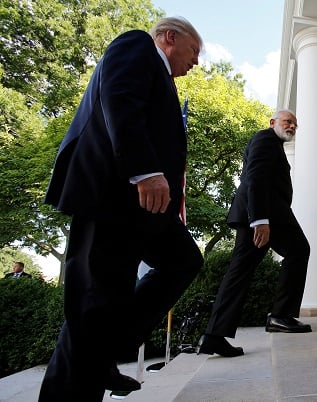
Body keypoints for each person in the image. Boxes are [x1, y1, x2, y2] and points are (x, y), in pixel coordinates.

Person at [38, 17, 204, 401]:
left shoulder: (163, 80)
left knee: (183, 261)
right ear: (169, 37)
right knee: (93, 303)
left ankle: (108, 350)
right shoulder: (136, 46)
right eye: (194, 51)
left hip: (145, 208)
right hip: (111, 195)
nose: (196, 62)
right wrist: (144, 171)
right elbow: (120, 100)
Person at [197, 109, 311, 358]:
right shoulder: (264, 138)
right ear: (273, 123)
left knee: (241, 272)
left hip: (267, 214)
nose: (292, 126)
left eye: (294, 124)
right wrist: (259, 220)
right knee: (298, 250)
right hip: (263, 214)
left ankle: (214, 336)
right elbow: (255, 177)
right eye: (287, 121)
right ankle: (280, 316)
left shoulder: (275, 145)